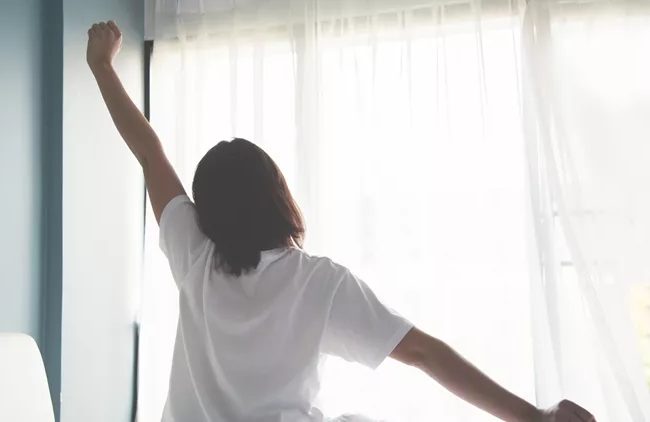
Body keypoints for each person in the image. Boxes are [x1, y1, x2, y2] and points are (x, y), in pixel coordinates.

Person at [86, 21, 596, 422]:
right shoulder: (319, 282)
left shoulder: (193, 253)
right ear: (277, 195)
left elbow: (149, 152)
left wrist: (102, 66)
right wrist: (531, 416)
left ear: (210, 213)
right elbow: (424, 354)